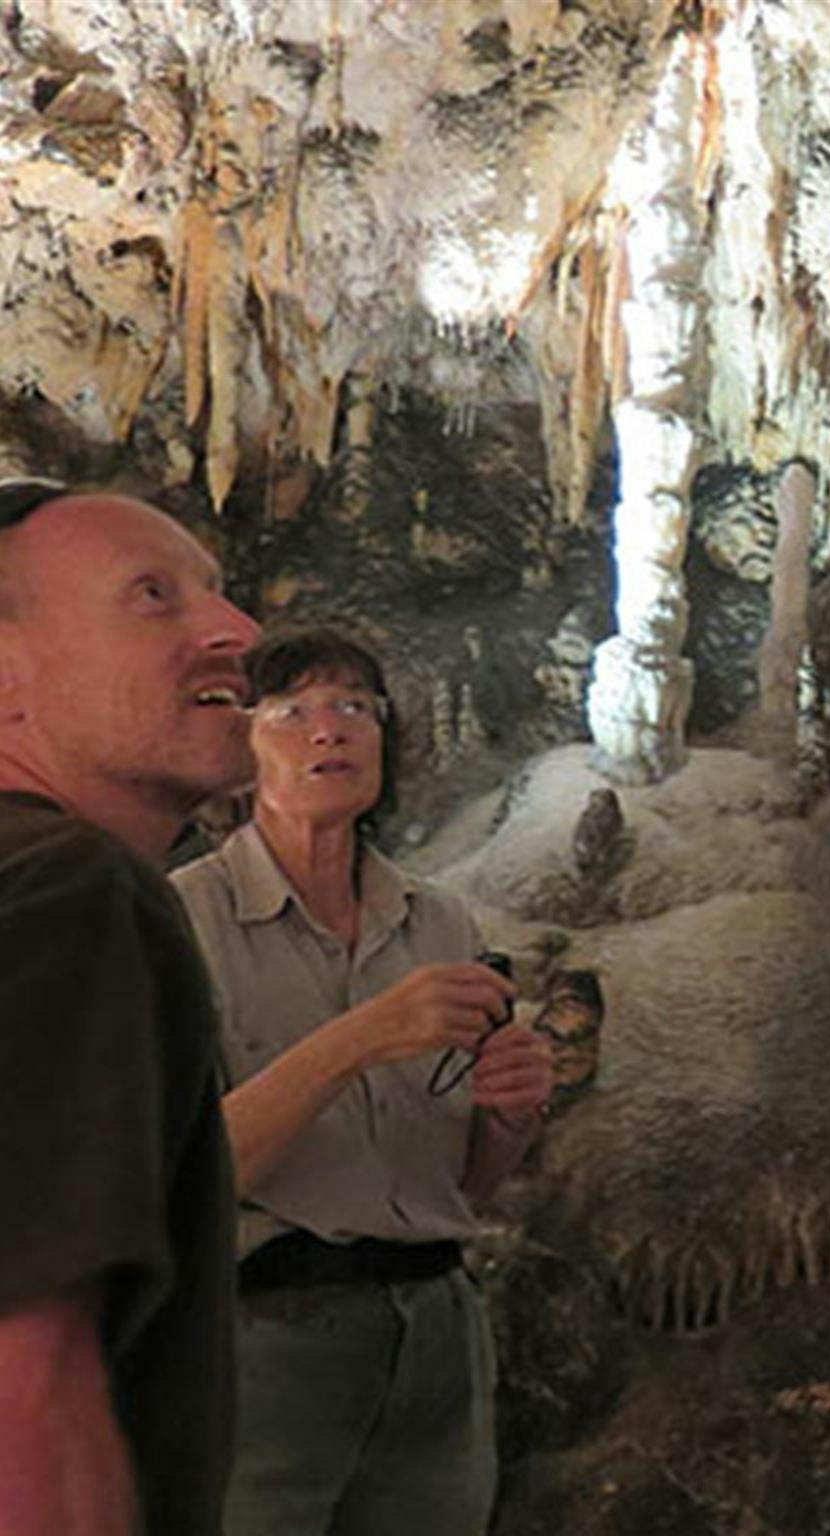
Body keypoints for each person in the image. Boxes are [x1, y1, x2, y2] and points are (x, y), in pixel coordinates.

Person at [169, 628, 551, 1536]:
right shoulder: (183, 919)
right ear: (241, 747)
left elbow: (458, 1188)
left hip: (437, 1333)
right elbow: (183, 1181)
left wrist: (508, 1116)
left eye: (353, 708)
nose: (328, 731)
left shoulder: (439, 923)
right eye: (293, 711)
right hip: (262, 1335)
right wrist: (366, 1034)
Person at [0, 479, 263, 1536]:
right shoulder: (69, 891)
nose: (238, 632)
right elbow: (26, 1394)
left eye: (217, 592)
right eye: (151, 595)